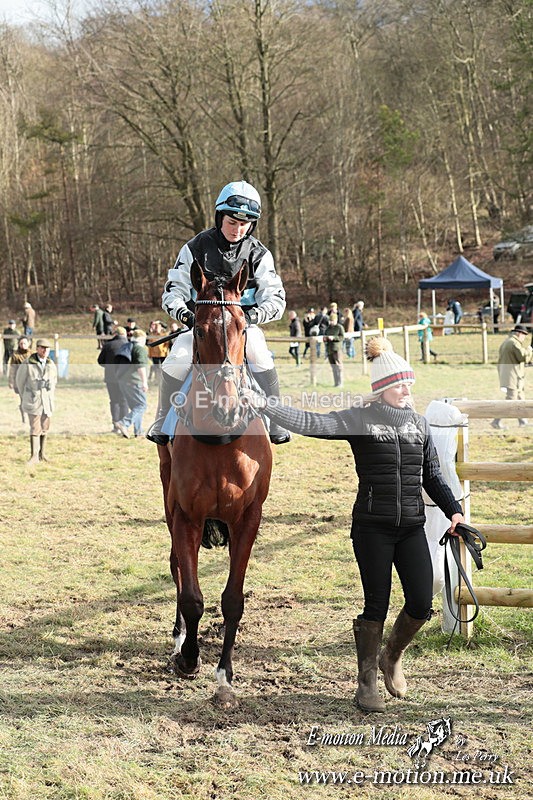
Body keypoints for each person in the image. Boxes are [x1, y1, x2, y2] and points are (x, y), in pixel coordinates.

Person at [242, 337, 464, 711]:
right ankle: (366, 685)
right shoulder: (360, 418)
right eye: (397, 384)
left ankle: (391, 657)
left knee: (421, 603)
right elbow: (312, 421)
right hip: (371, 528)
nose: (405, 389)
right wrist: (268, 405)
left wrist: (454, 511)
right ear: (380, 389)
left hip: (411, 527)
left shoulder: (419, 424)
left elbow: (432, 475)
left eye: (408, 382)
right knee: (375, 605)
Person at [146, 179, 290, 445]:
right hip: (202, 327)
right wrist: (186, 316)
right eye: (232, 222)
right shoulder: (195, 248)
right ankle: (162, 417)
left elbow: (276, 299)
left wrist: (251, 318)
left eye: (244, 224)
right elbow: (172, 292)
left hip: (241, 328)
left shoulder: (259, 254)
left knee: (259, 352)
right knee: (176, 357)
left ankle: (277, 419)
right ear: (219, 217)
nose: (237, 229)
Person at [16, 338, 57, 464]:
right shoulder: (28, 363)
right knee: (35, 427)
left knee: (45, 426)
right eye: (42, 348)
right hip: (33, 399)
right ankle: (33, 456)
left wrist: (50, 389)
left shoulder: (51, 364)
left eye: (47, 348)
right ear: (37, 348)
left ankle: (42, 454)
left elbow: (55, 380)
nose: (45, 350)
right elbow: (20, 381)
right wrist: (26, 396)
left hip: (47, 401)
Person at [491, 325, 532, 429]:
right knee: (511, 400)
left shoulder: (508, 342)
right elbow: (523, 357)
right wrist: (530, 349)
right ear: (519, 333)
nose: (524, 338)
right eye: (524, 335)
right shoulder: (514, 343)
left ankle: (522, 421)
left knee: (520, 399)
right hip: (512, 375)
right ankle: (496, 421)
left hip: (510, 374)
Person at [115, 329, 150, 438]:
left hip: (123, 381)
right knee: (142, 405)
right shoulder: (140, 349)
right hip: (135, 381)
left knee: (136, 406)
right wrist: (145, 382)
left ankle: (138, 432)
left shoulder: (127, 347)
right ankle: (123, 423)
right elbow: (141, 366)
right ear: (142, 338)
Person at [97, 326, 130, 433]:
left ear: (115, 334)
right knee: (124, 401)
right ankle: (123, 425)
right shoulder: (129, 345)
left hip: (111, 378)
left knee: (114, 401)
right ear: (124, 335)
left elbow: (100, 361)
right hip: (125, 378)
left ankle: (116, 425)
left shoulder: (108, 345)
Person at [8, 336, 32, 422]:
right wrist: (11, 381)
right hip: (20, 381)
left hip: (31, 381)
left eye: (24, 343)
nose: (23, 345)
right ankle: (24, 417)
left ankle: (32, 417)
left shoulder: (32, 354)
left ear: (28, 344)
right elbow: (12, 370)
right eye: (21, 343)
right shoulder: (15, 356)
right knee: (23, 399)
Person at [324, 311, 345, 386]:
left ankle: (340, 382)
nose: (331, 322)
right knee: (333, 367)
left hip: (337, 349)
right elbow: (325, 335)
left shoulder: (339, 327)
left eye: (332, 321)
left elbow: (342, 337)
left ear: (336, 320)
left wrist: (334, 338)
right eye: (330, 321)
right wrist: (325, 338)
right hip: (329, 349)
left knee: (338, 366)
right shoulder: (328, 328)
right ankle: (336, 383)